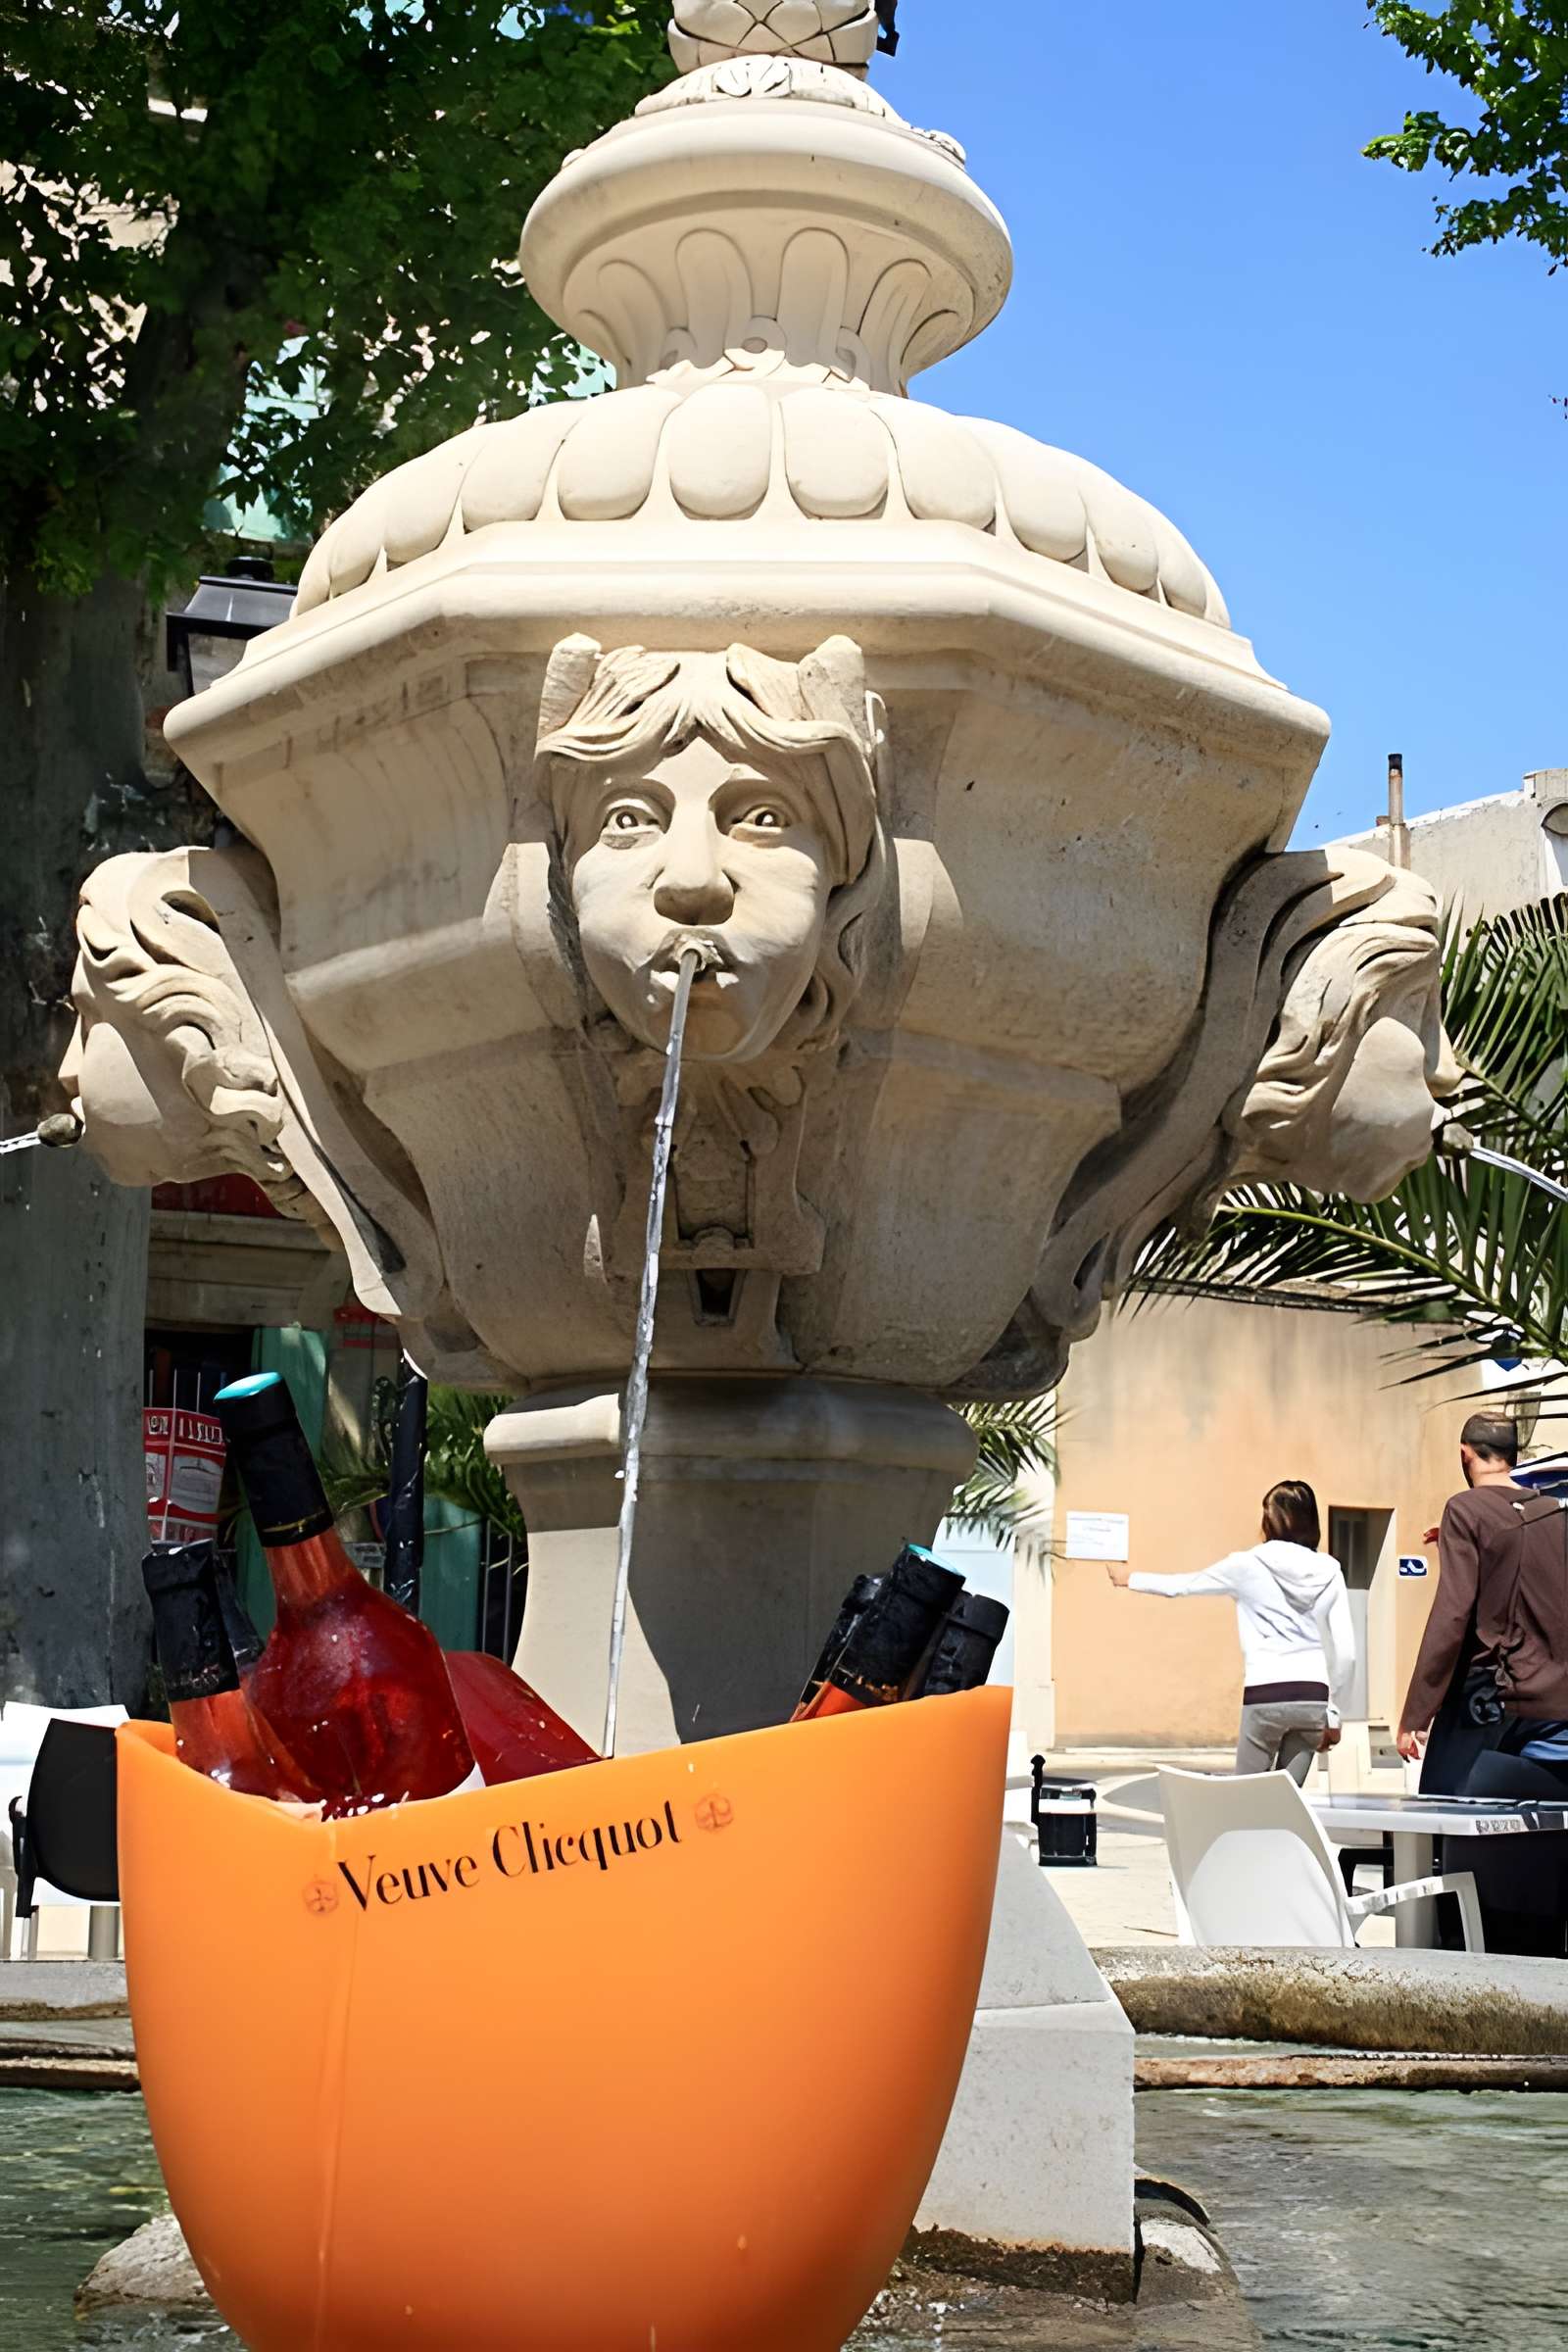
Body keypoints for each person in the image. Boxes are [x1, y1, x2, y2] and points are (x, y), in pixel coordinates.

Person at [1106, 1480, 1354, 1782]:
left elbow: (1183, 1586)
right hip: (1311, 1694)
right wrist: (1333, 1713)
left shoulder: (1246, 1565)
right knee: (1287, 1800)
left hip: (1266, 1691)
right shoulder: (1330, 1571)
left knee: (1246, 1795)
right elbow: (1346, 1654)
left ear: (1269, 1520)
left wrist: (1130, 1578)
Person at [1396, 1412, 1530, 1792]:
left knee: (1446, 1813)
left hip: (1481, 1694)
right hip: (1541, 1703)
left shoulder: (1465, 1509)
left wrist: (1416, 1714)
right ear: (1514, 1455)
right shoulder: (1547, 1512)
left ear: (1464, 1454)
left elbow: (1452, 1616)